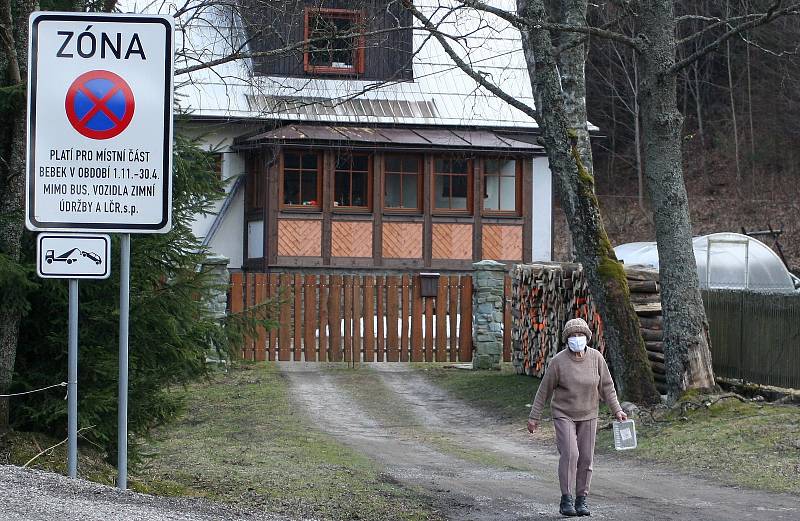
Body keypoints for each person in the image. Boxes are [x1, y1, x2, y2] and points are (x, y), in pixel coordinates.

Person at [527, 317, 627, 517]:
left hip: (589, 414)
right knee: (571, 454)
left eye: (581, 335)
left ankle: (581, 499)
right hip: (564, 414)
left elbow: (607, 387)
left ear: (587, 337)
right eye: (573, 335)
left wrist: (617, 410)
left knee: (586, 458)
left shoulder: (596, 358)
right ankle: (566, 499)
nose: (577, 338)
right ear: (567, 339)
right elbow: (544, 390)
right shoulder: (558, 362)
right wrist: (534, 416)